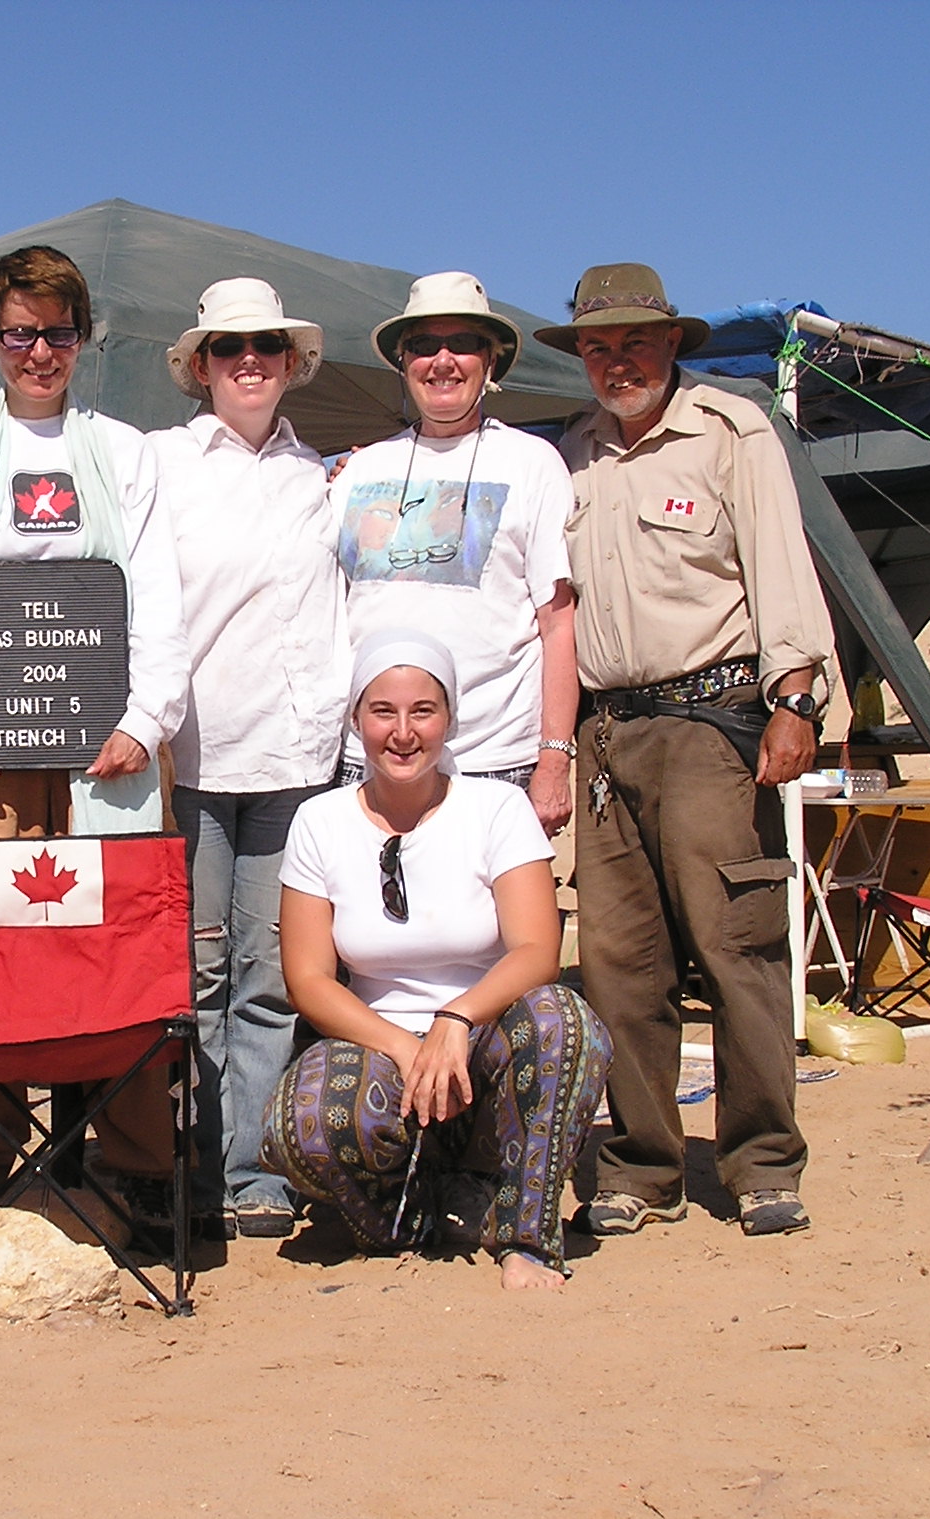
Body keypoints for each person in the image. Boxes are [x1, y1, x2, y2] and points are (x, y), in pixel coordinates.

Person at [0, 245, 190, 1248]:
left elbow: (153, 597)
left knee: (116, 944)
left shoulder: (124, 453)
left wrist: (144, 722)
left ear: (81, 338)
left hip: (107, 750)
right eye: (19, 333)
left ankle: (137, 1174)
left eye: (57, 333)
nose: (38, 352)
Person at [535, 262, 833, 1238]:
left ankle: (760, 1163)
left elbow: (780, 566)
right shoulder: (569, 456)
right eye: (596, 345)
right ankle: (639, 1167)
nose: (615, 361)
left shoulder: (730, 433)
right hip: (608, 732)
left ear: (670, 345)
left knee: (734, 944)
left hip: (715, 722)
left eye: (633, 342)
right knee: (622, 961)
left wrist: (796, 699)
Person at [266, 631, 610, 1288]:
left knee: (565, 1024)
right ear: (356, 720)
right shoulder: (319, 820)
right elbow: (307, 979)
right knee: (305, 1120)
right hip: (383, 1047)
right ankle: (410, 1216)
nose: (402, 732)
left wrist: (456, 1020)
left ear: (449, 718)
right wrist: (403, 1045)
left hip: (484, 1041)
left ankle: (524, 1234)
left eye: (422, 711)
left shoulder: (496, 808)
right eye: (382, 712)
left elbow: (538, 949)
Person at [150, 279, 348, 1241]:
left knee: (272, 976)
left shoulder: (324, 477)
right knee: (194, 980)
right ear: (198, 365)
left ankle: (255, 1174)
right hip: (192, 758)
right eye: (228, 347)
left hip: (297, 756)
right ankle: (189, 1167)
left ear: (290, 359)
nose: (249, 362)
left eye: (265, 345)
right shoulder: (158, 466)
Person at [328, 273, 578, 834]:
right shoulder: (359, 471)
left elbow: (558, 624)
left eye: (462, 344)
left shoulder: (533, 463)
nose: (443, 360)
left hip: (494, 762)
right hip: (364, 761)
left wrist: (554, 759)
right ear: (403, 362)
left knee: (498, 925)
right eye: (423, 346)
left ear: (489, 361)